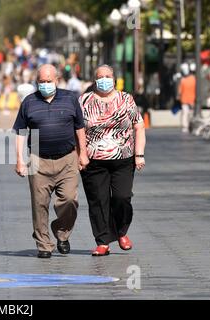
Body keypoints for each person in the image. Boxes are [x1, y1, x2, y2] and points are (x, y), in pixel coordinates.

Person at [13, 64, 89, 259]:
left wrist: (83, 153)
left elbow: (80, 128)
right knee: (39, 204)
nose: (45, 85)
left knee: (70, 200)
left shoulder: (70, 98)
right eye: (41, 82)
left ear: (56, 80)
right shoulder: (29, 102)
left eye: (49, 81)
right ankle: (44, 244)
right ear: (37, 82)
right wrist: (20, 160)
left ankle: (62, 232)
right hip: (38, 160)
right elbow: (21, 132)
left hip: (67, 159)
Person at [79, 64, 146, 256]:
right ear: (94, 80)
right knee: (98, 201)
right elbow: (78, 130)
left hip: (123, 158)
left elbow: (139, 126)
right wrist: (80, 154)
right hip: (94, 160)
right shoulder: (84, 100)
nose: (104, 79)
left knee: (122, 197)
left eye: (108, 76)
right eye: (100, 76)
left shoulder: (126, 99)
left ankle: (121, 231)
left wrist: (139, 154)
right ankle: (103, 241)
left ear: (114, 79)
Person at [178, 63, 196, 133]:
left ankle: (185, 127)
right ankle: (190, 126)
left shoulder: (183, 80)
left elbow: (180, 91)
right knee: (190, 114)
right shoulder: (194, 79)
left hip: (184, 99)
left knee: (185, 114)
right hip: (192, 99)